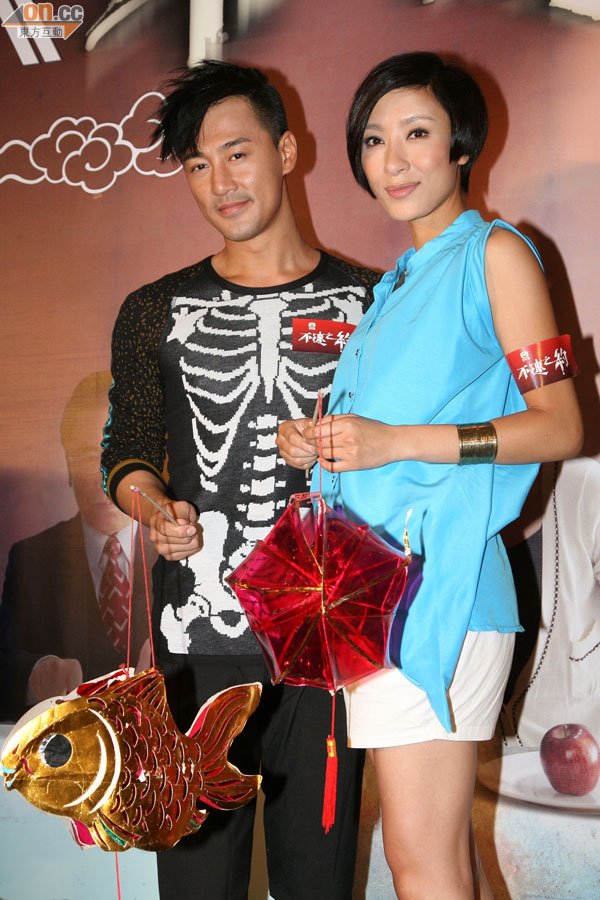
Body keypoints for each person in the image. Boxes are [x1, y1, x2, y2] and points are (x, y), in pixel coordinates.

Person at [277, 52, 583, 899]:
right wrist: (325, 444)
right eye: (374, 140)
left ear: (462, 146)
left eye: (417, 133)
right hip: (379, 599)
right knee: (442, 862)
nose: (394, 160)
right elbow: (383, 447)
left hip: (439, 596)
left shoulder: (496, 253)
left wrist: (395, 441)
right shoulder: (396, 286)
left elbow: (559, 423)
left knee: (420, 864)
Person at [100, 61, 376, 900]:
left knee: (318, 882)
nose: (220, 182)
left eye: (237, 153)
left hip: (326, 641)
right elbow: (127, 451)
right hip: (197, 642)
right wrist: (154, 505)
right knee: (196, 886)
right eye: (197, 164)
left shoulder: (373, 302)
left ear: (286, 152)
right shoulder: (152, 310)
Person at [0, 372, 152, 722]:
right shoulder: (31, 559)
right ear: (68, 465)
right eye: (85, 457)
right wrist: (34, 673)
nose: (102, 480)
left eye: (115, 456)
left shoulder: (184, 554)